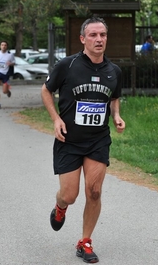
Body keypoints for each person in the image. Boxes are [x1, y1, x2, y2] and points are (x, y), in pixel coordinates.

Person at [41, 17, 125, 263]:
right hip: (69, 140)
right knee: (69, 195)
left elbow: (114, 97)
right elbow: (46, 90)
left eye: (103, 35)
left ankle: (85, 241)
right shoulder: (68, 65)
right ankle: (60, 207)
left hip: (98, 140)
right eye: (93, 35)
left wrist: (117, 116)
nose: (99, 40)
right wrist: (56, 119)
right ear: (82, 39)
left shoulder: (114, 71)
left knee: (95, 192)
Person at [0, 41, 15, 109]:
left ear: (7, 47)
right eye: (2, 45)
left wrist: (11, 64)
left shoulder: (10, 55)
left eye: (5, 45)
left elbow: (14, 63)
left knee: (4, 91)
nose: (3, 46)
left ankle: (8, 91)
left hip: (6, 74)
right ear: (0, 46)